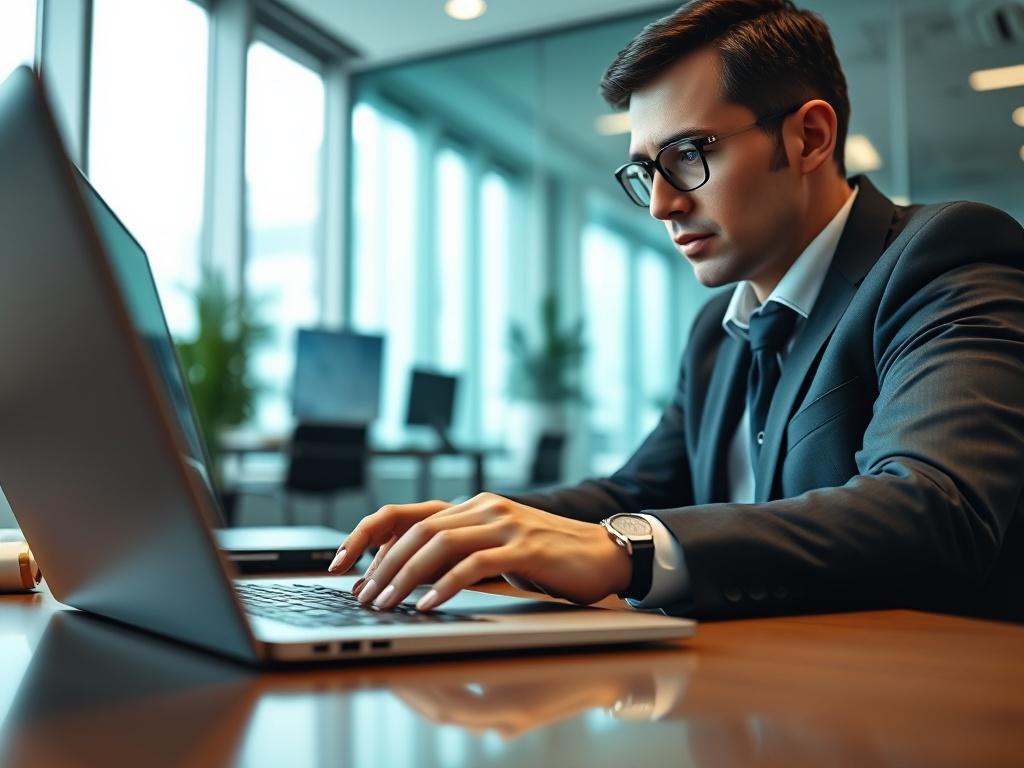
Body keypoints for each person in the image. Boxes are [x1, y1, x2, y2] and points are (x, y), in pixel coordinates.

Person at [328, 0, 1024, 620]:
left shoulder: (945, 256)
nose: (662, 204)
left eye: (688, 154)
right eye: (645, 170)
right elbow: (639, 489)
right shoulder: (721, 330)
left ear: (809, 138)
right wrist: (467, 528)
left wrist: (627, 550)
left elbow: (935, 508)